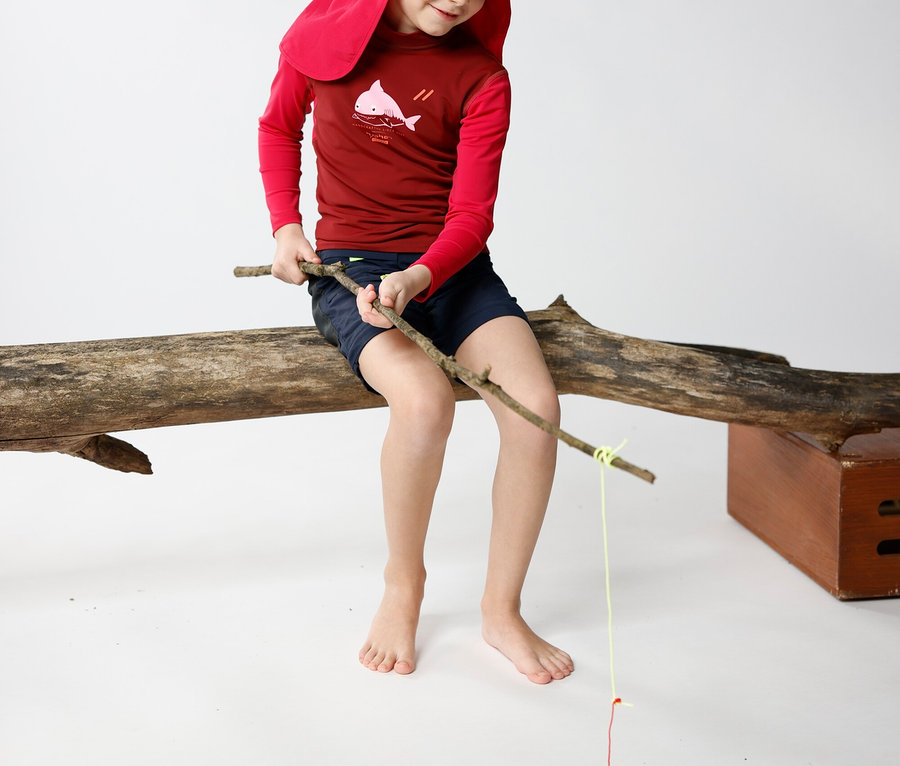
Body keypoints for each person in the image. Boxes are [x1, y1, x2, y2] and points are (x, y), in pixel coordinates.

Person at [258, 0, 573, 684]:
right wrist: (286, 227)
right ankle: (404, 585)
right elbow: (279, 127)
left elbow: (471, 215)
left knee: (537, 409)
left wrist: (422, 275)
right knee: (425, 403)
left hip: (451, 269)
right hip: (354, 270)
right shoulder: (320, 43)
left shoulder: (482, 76)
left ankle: (501, 607)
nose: (460, 1)